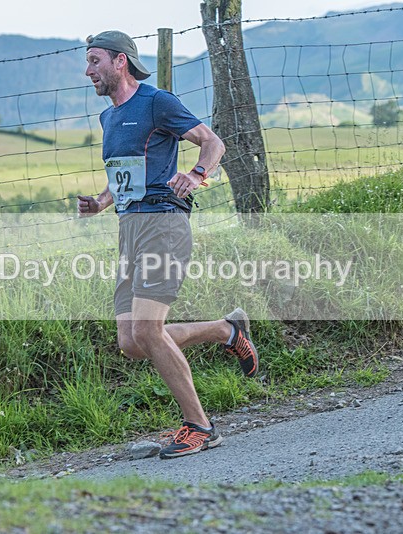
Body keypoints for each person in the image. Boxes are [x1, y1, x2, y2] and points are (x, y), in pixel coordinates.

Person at [77, 30, 259, 459]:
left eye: (94, 61)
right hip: (130, 230)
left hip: (164, 223)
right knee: (132, 342)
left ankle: (201, 427)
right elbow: (126, 173)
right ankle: (227, 331)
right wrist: (102, 201)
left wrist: (196, 174)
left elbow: (214, 142)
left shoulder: (157, 101)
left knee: (147, 329)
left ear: (120, 61)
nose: (88, 71)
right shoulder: (108, 118)